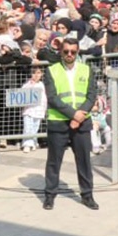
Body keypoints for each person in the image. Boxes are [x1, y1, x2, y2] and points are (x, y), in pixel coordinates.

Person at [41, 34, 100, 210]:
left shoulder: (86, 69)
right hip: (59, 122)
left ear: (77, 52)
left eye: (73, 52)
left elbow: (91, 95)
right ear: (60, 51)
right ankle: (50, 195)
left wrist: (80, 116)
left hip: (82, 123)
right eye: (66, 51)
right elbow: (52, 98)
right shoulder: (51, 70)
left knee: (84, 161)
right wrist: (74, 114)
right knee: (54, 161)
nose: (69, 54)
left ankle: (87, 195)